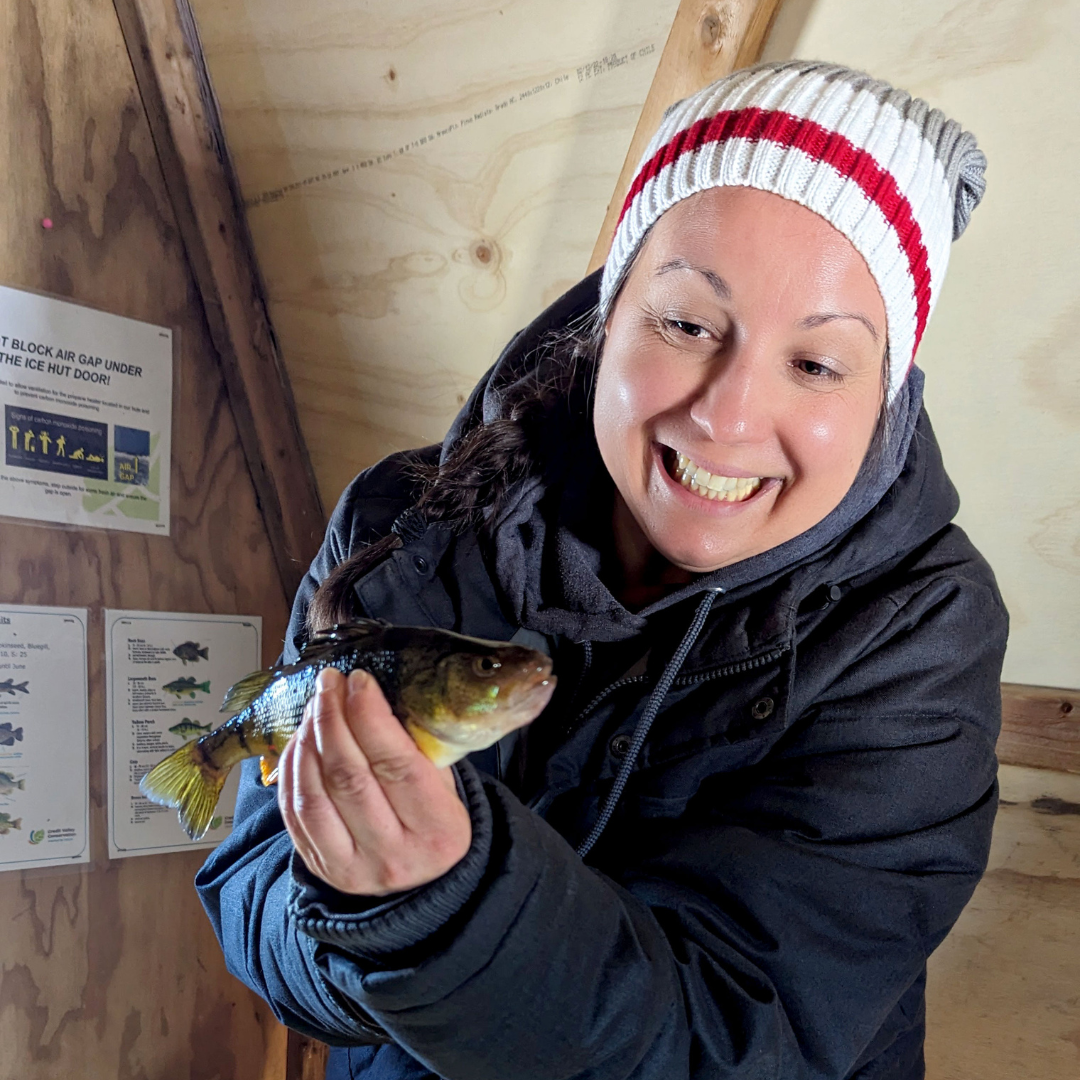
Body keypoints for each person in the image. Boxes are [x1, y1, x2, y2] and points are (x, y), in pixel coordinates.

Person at [197, 61, 1007, 1080]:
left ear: (885, 392)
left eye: (816, 363)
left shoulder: (922, 634)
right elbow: (254, 894)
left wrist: (454, 914)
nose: (727, 416)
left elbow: (734, 1042)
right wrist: (363, 919)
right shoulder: (404, 522)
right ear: (609, 319)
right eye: (686, 323)